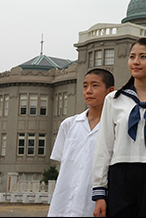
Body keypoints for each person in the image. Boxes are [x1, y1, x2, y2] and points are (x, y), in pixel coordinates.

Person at [92, 37, 146, 217]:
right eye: (132, 56)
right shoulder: (113, 100)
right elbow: (104, 147)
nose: (135, 62)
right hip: (120, 175)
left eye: (143, 57)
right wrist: (100, 193)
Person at [47, 68, 115, 217]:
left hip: (94, 202)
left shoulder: (114, 126)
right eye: (85, 86)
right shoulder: (69, 124)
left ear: (110, 91)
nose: (88, 91)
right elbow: (63, 165)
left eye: (95, 86)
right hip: (64, 203)